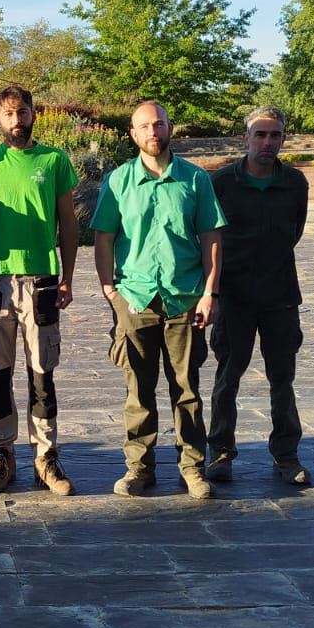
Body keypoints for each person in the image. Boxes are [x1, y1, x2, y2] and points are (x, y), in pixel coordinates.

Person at [92, 100, 225, 499]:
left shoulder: (195, 179)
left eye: (159, 124)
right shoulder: (118, 181)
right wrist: (110, 290)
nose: (153, 131)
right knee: (138, 389)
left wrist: (210, 292)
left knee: (187, 390)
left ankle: (192, 467)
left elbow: (211, 237)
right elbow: (104, 237)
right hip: (135, 299)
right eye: (145, 126)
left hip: (184, 298)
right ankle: (140, 467)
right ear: (133, 134)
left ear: (170, 128)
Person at [0, 84, 79, 496]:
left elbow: (69, 222)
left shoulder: (54, 160)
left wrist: (67, 276)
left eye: (23, 112)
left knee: (42, 374)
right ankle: (2, 454)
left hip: (42, 281)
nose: (16, 120)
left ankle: (46, 456)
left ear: (33, 114)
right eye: (9, 114)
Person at [206, 106, 311, 486]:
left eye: (275, 135)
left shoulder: (295, 183)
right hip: (233, 298)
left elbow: (294, 231)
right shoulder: (221, 183)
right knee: (227, 377)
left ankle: (286, 455)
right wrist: (213, 292)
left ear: (283, 139)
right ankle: (220, 451)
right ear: (245, 138)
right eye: (260, 134)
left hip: (280, 296)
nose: (268, 142)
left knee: (282, 379)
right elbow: (208, 238)